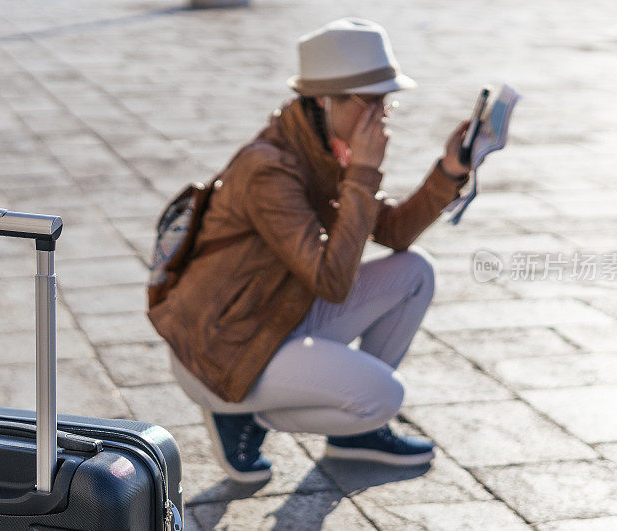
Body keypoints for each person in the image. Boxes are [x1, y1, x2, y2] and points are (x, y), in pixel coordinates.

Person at [148, 18, 471, 483]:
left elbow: (394, 233)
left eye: (387, 99)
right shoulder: (270, 171)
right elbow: (332, 283)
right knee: (383, 397)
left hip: (276, 314)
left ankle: (351, 434)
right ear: (324, 100)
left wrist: (450, 170)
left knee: (415, 271)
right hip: (224, 351)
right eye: (372, 100)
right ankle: (243, 414)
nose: (384, 113)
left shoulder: (320, 147)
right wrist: (362, 172)